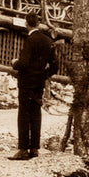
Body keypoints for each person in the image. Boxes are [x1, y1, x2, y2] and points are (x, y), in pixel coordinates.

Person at [9, 12, 58, 160]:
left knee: (24, 114)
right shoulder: (48, 41)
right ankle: (35, 149)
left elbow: (23, 63)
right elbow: (55, 66)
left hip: (26, 83)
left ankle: (23, 150)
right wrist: (44, 75)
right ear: (38, 23)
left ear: (27, 24)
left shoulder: (30, 40)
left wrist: (14, 63)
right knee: (36, 114)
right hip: (39, 83)